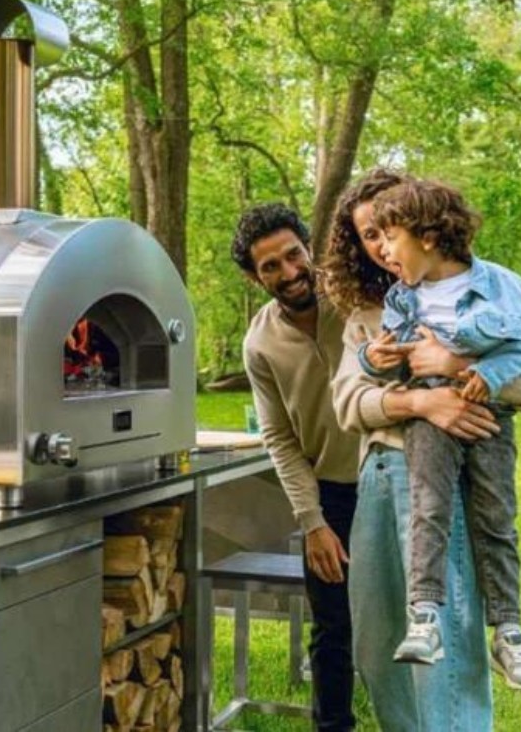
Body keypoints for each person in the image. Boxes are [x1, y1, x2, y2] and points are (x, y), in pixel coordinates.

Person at [325, 168, 521, 729]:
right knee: (381, 645)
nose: (380, 245)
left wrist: (465, 370)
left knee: (445, 650)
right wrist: (421, 404)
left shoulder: (486, 291)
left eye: (387, 230)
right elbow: (348, 403)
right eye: (368, 235)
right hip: (376, 479)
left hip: (437, 475)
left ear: (421, 226)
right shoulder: (372, 316)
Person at [231, 203, 361, 731]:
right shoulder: (259, 344)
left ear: (310, 249)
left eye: (293, 255)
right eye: (270, 267)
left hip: (395, 478)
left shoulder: (358, 299)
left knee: (412, 619)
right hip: (332, 495)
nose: (288, 273)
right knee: (332, 630)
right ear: (253, 276)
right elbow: (280, 439)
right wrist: (313, 523)